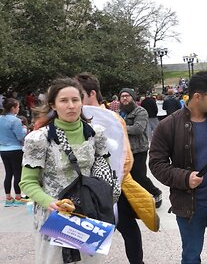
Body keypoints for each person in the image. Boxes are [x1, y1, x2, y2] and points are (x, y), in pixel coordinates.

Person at [149, 71, 207, 264]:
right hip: (188, 206)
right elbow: (156, 164)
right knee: (191, 256)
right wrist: (184, 178)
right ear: (197, 96)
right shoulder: (168, 125)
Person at [19, 78, 108, 263]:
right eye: (64, 101)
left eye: (75, 100)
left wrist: (106, 200)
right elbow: (27, 182)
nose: (71, 106)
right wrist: (50, 202)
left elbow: (103, 171)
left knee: (89, 261)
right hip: (54, 215)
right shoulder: (38, 139)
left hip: (89, 213)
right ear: (53, 104)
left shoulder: (96, 133)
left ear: (82, 101)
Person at [76, 72, 159, 264]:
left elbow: (126, 155)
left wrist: (115, 180)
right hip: (84, 186)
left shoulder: (113, 119)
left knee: (126, 226)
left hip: (114, 184)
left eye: (78, 96)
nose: (74, 102)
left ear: (92, 93)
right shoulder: (74, 117)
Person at [119, 88, 163, 208]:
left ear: (133, 98)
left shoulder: (140, 111)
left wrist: (119, 127)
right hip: (125, 150)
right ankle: (136, 201)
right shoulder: (120, 113)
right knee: (128, 177)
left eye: (127, 96)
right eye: (122, 96)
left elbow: (138, 128)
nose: (124, 98)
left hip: (139, 149)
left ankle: (155, 192)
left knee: (140, 176)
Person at [0, 98, 28, 207]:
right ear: (13, 108)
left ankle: (8, 198)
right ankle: (18, 197)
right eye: (17, 107)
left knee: (8, 173)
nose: (18, 109)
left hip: (3, 149)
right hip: (15, 149)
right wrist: (24, 129)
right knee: (17, 173)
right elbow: (20, 136)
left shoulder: (0, 118)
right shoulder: (16, 121)